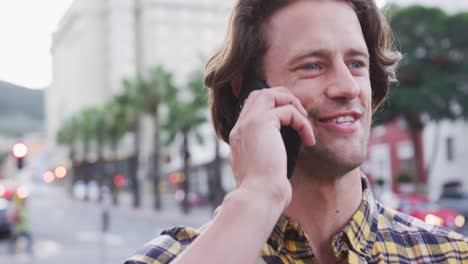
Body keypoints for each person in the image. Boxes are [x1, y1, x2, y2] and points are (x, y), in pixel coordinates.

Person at [126, 0, 468, 263]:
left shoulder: (449, 254)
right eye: (313, 66)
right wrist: (259, 194)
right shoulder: (170, 255)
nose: (348, 87)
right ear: (249, 93)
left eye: (356, 64)